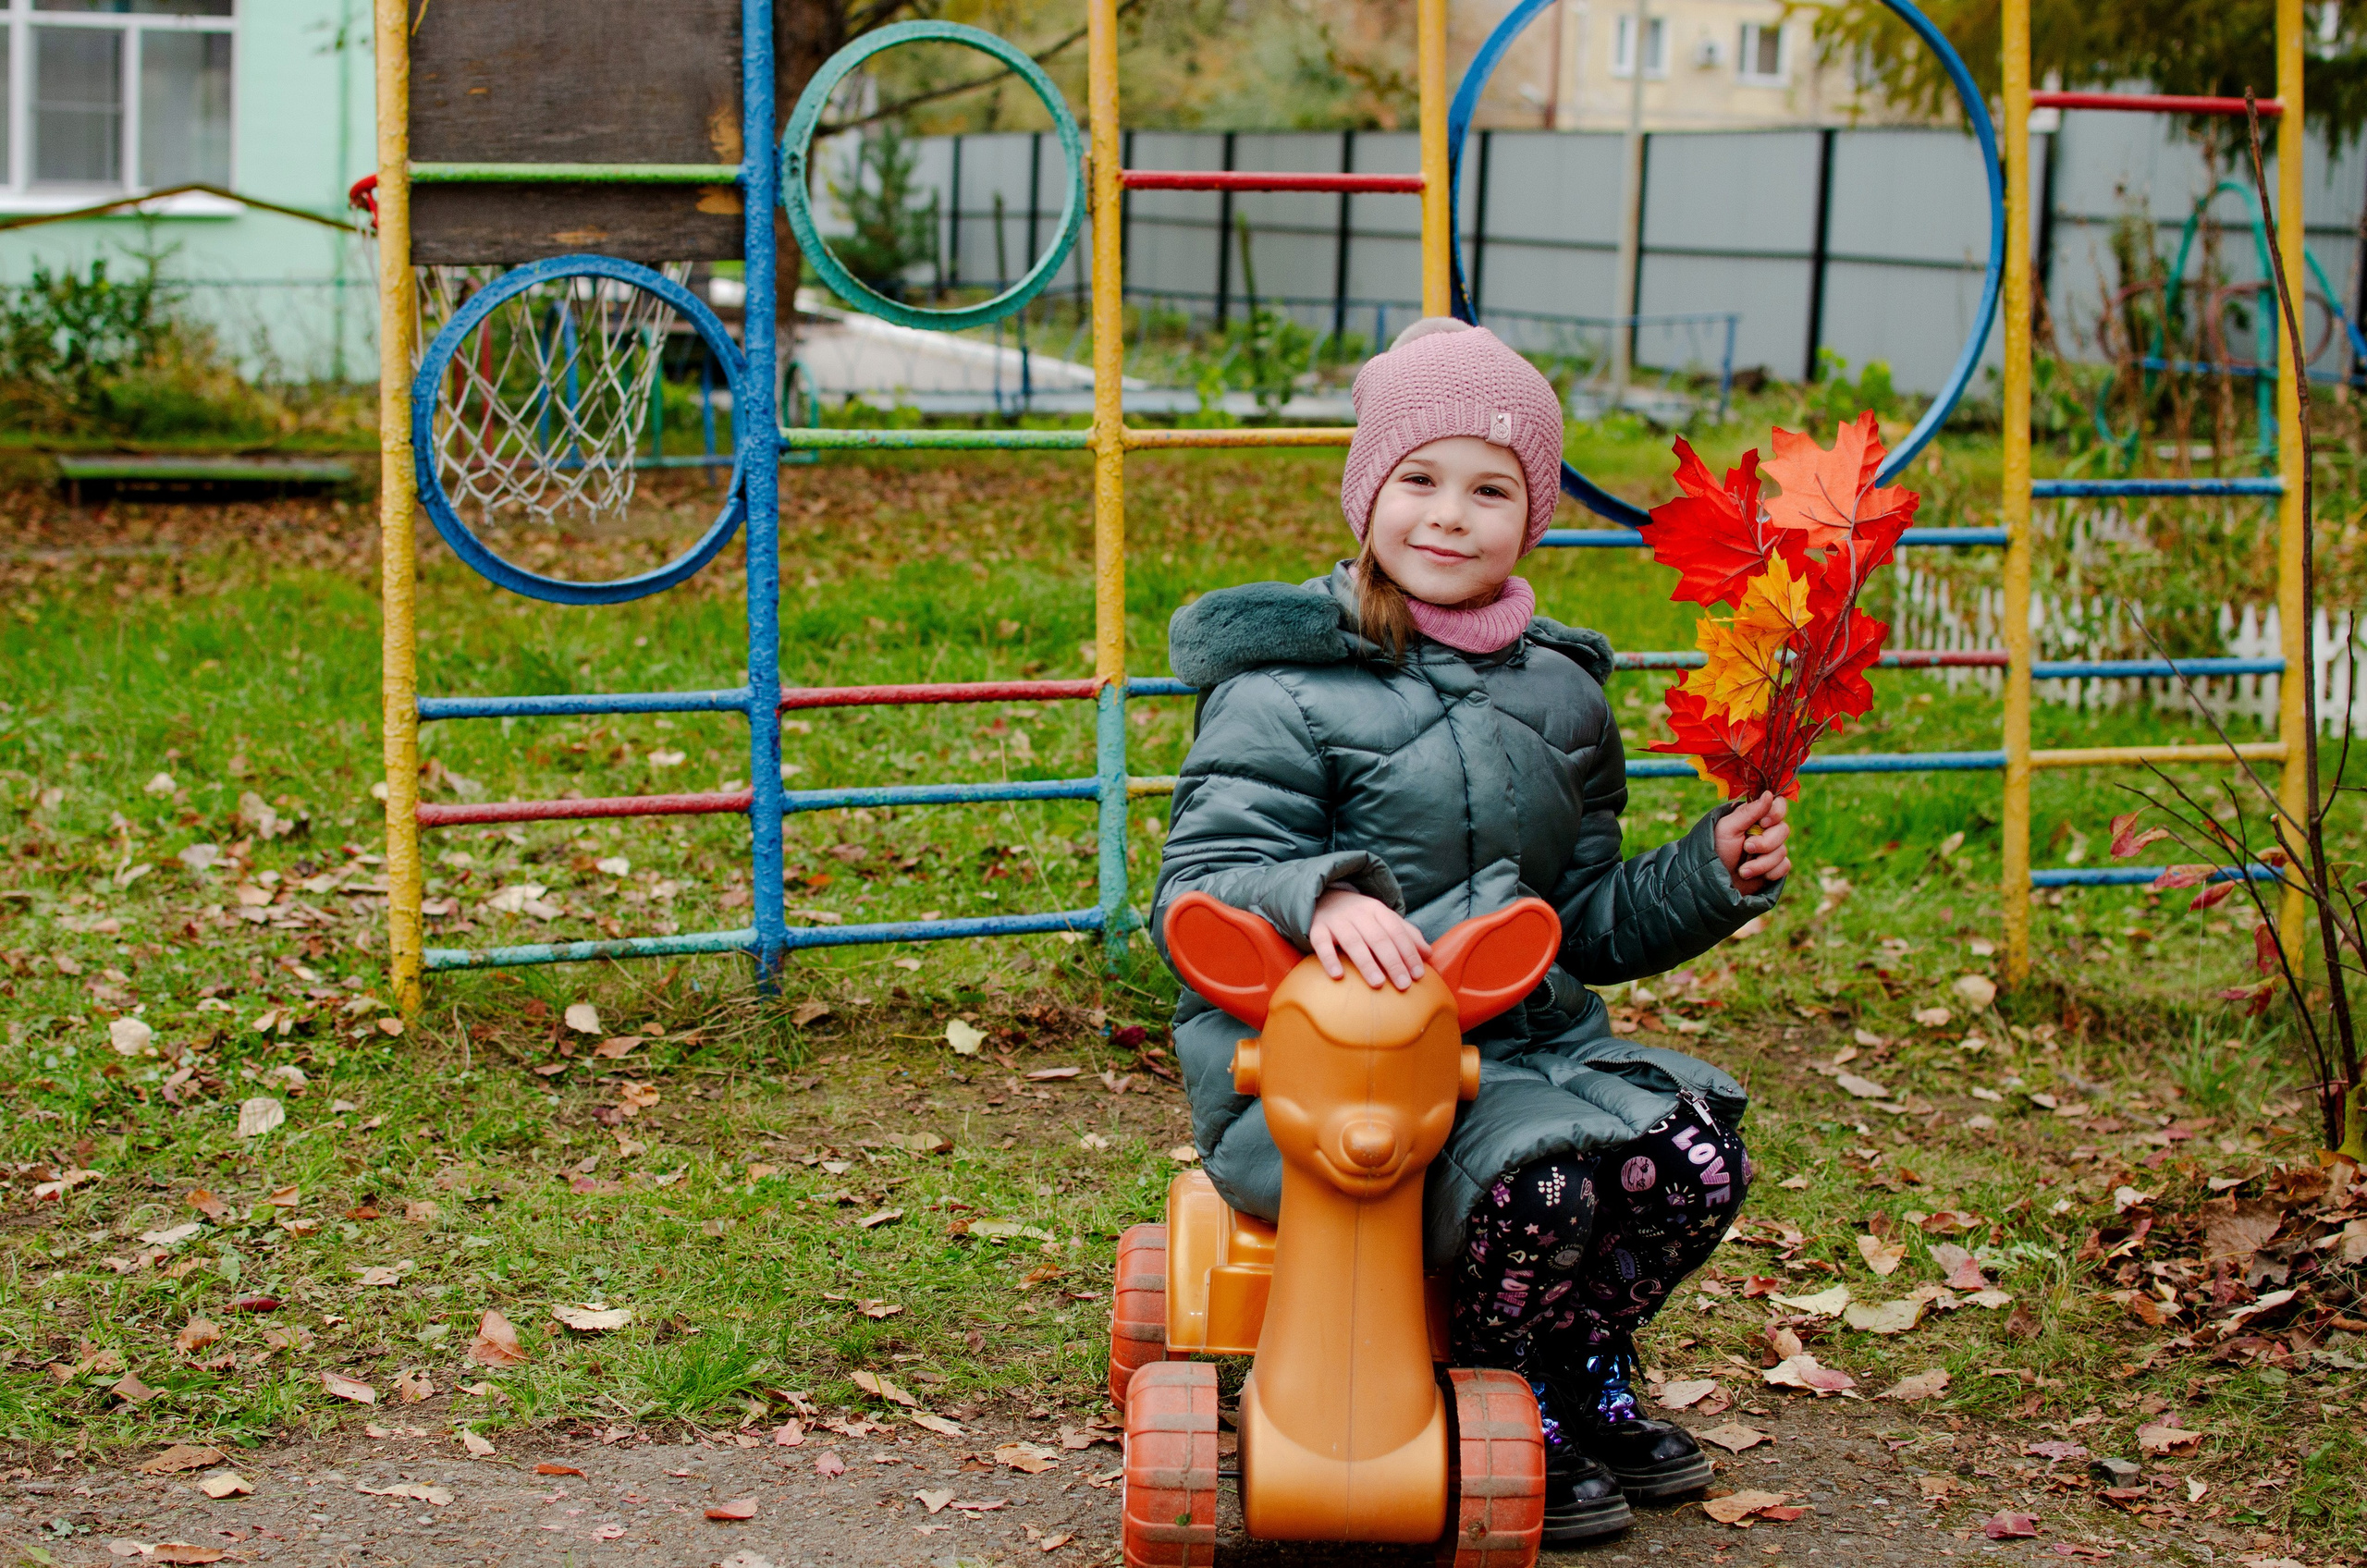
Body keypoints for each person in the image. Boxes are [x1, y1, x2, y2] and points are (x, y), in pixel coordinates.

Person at [1149, 317, 1792, 1545]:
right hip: (1345, 1073)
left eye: (1491, 488)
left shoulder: (1563, 694)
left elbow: (1587, 922)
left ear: (1532, 516)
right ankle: (1495, 1383)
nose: (1449, 516)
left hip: (1532, 1042)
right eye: (1419, 479)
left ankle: (1584, 1361)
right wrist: (1319, 897)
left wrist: (1707, 875)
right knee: (1545, 1182)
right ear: (1367, 493)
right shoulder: (1284, 688)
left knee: (1701, 1157)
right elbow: (1210, 871)